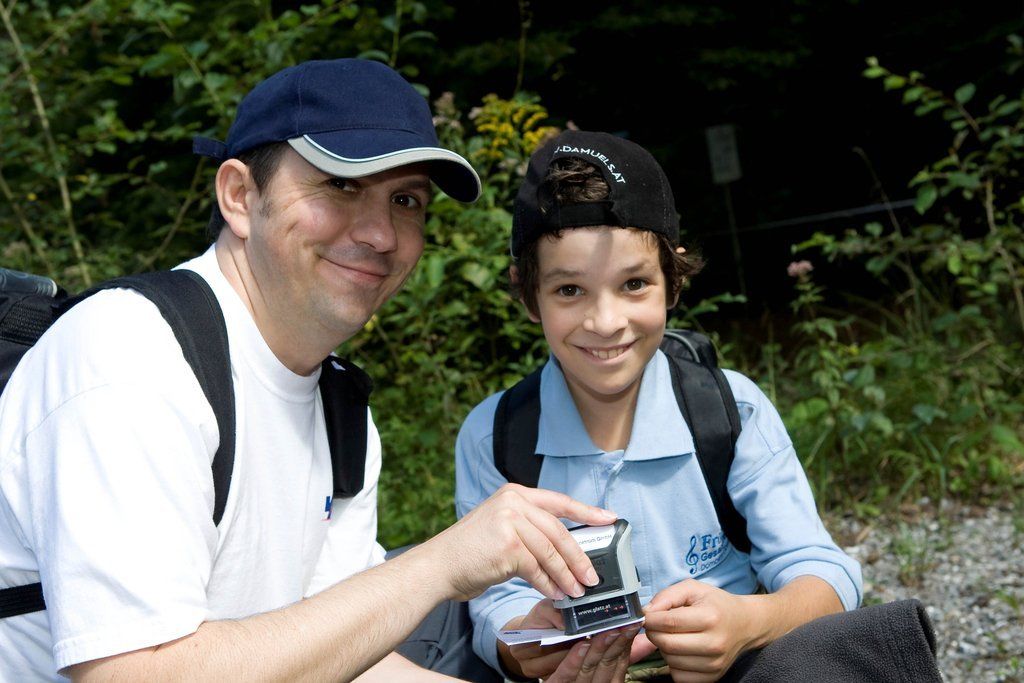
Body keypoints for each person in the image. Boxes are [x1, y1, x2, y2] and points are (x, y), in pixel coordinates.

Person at [0, 59, 628, 682]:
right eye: (341, 186)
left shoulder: (338, 404)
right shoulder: (132, 356)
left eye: (406, 200)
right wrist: (442, 563)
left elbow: (336, 656)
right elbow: (134, 674)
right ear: (240, 196)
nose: (381, 235)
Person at [454, 130, 864, 682]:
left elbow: (824, 572)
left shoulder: (732, 412)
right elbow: (493, 603)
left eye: (634, 284)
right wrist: (522, 643)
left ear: (672, 281)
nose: (605, 322)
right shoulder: (494, 436)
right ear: (528, 294)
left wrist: (750, 622)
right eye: (569, 290)